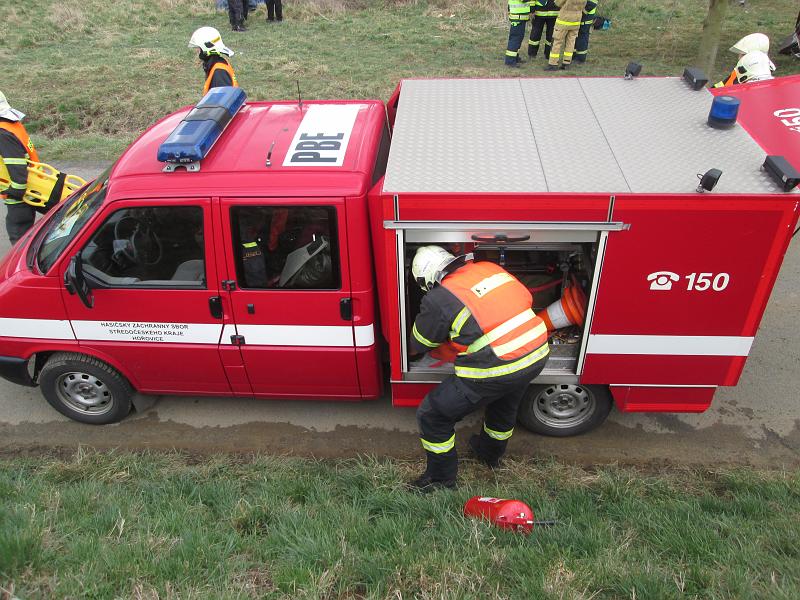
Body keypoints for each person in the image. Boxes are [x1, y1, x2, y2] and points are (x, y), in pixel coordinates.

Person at [407, 246, 550, 492]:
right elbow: (522, 299)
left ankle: (441, 481)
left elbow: (421, 342)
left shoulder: (438, 298)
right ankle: (489, 455)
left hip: (499, 366)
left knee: (433, 415)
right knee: (504, 405)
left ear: (425, 279)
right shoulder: (489, 268)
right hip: (535, 353)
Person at [0, 91, 45, 244]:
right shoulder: (11, 124)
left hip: (21, 194)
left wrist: (15, 192)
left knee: (19, 237)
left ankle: (20, 267)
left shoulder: (2, 134)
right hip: (35, 185)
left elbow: (16, 165)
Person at [188, 27, 239, 96]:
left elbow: (222, 101)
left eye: (199, 48)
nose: (197, 51)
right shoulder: (214, 64)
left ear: (206, 48)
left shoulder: (218, 72)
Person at [545, 0, 584, 71]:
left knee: (557, 41)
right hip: (576, 20)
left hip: (564, 20)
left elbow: (557, 3)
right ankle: (566, 63)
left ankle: (553, 64)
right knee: (571, 42)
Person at [505, 1, 534, 68]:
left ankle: (515, 57)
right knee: (515, 39)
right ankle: (510, 61)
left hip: (518, 17)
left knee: (517, 39)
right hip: (518, 17)